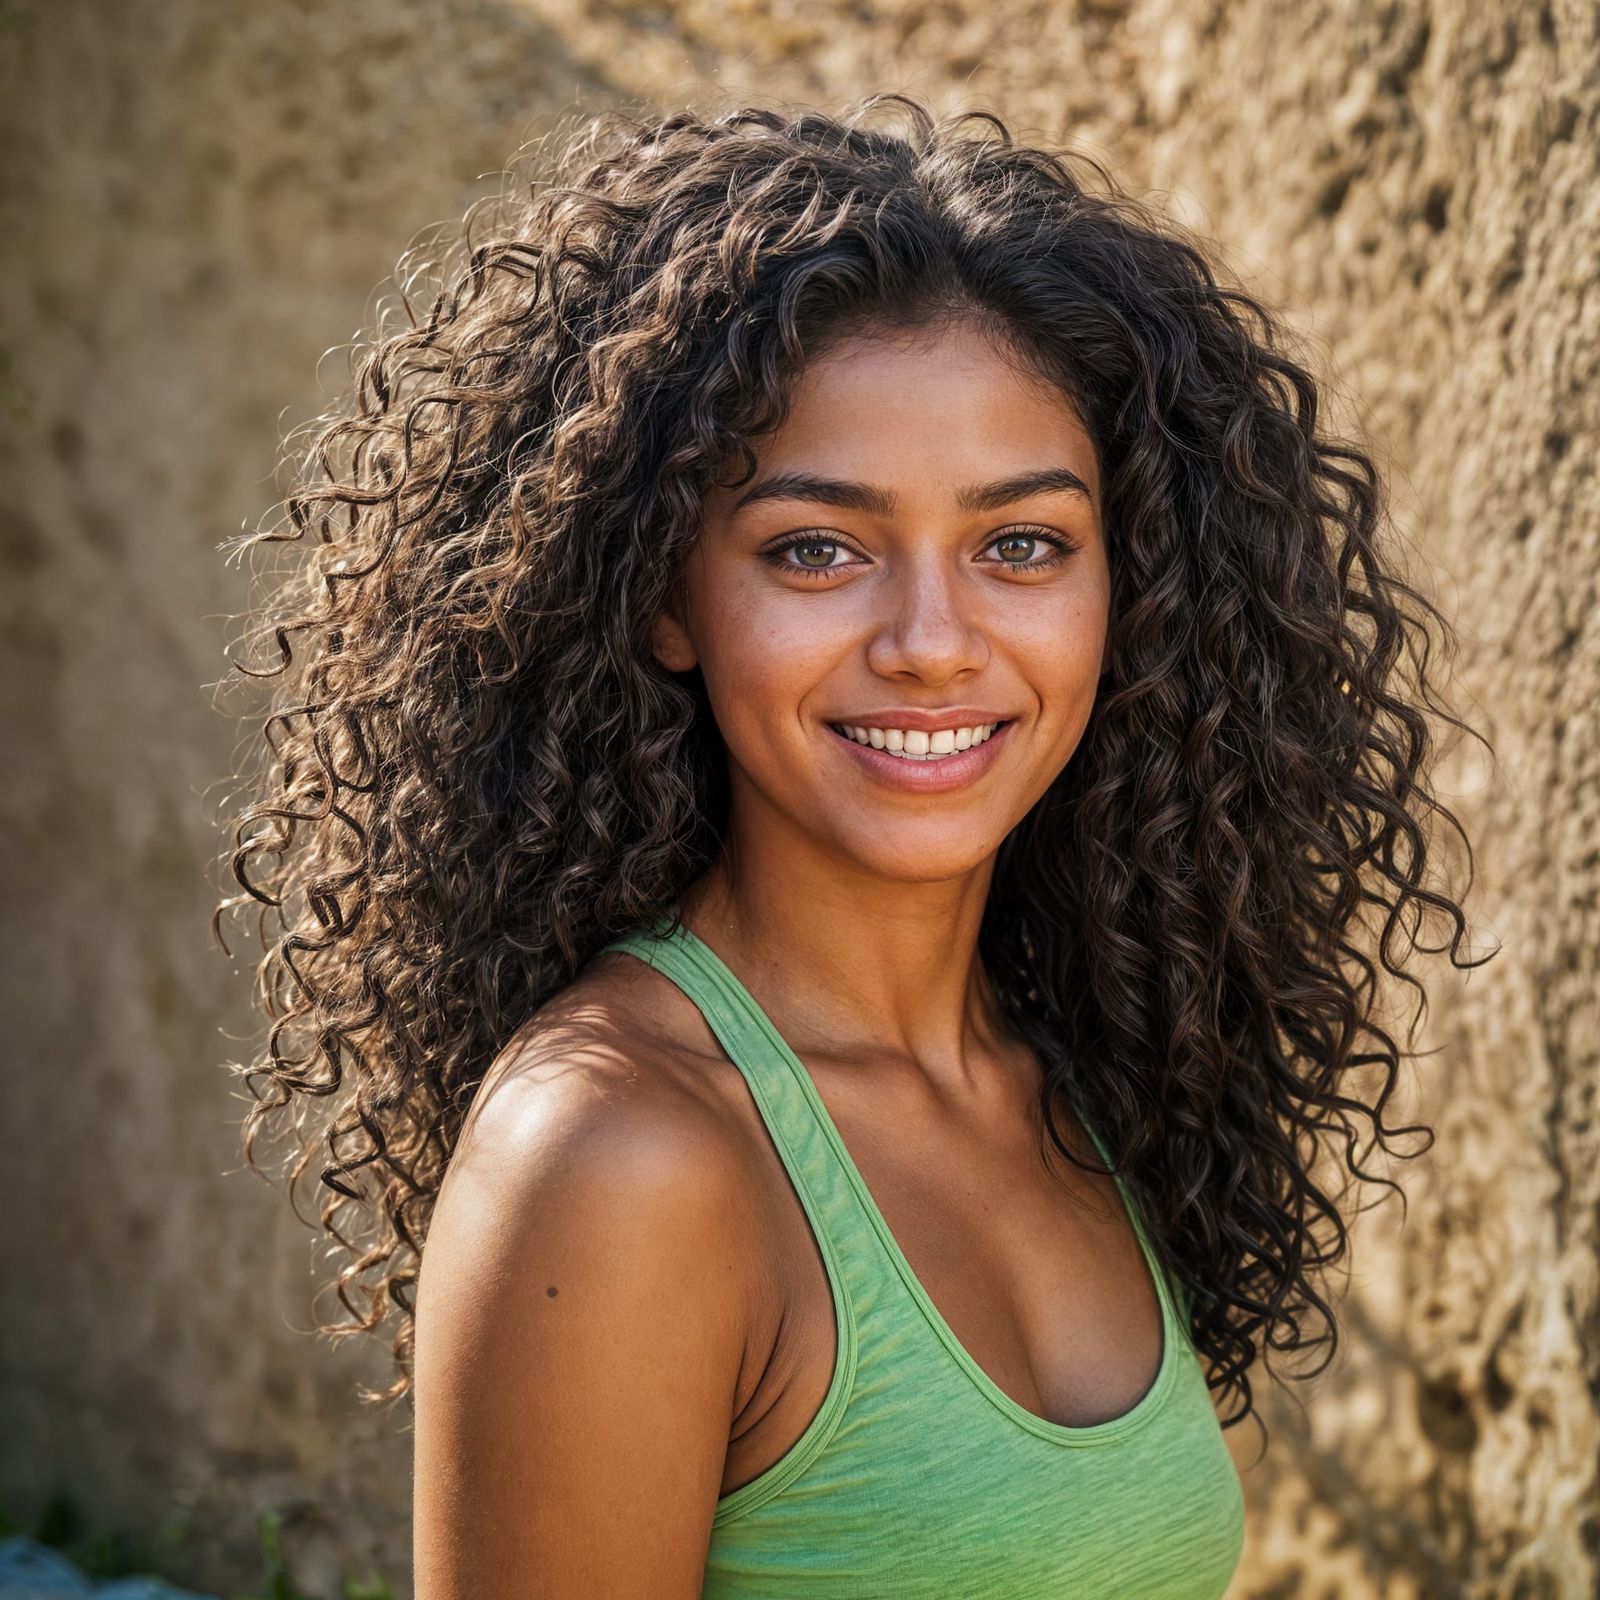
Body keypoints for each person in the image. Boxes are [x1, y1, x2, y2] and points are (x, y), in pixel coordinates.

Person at [214, 92, 1490, 1597]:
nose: (935, 646)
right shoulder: (620, 1154)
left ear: (1126, 592)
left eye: (1022, 544)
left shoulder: (1071, 1069)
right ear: (663, 596)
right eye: (816, 549)